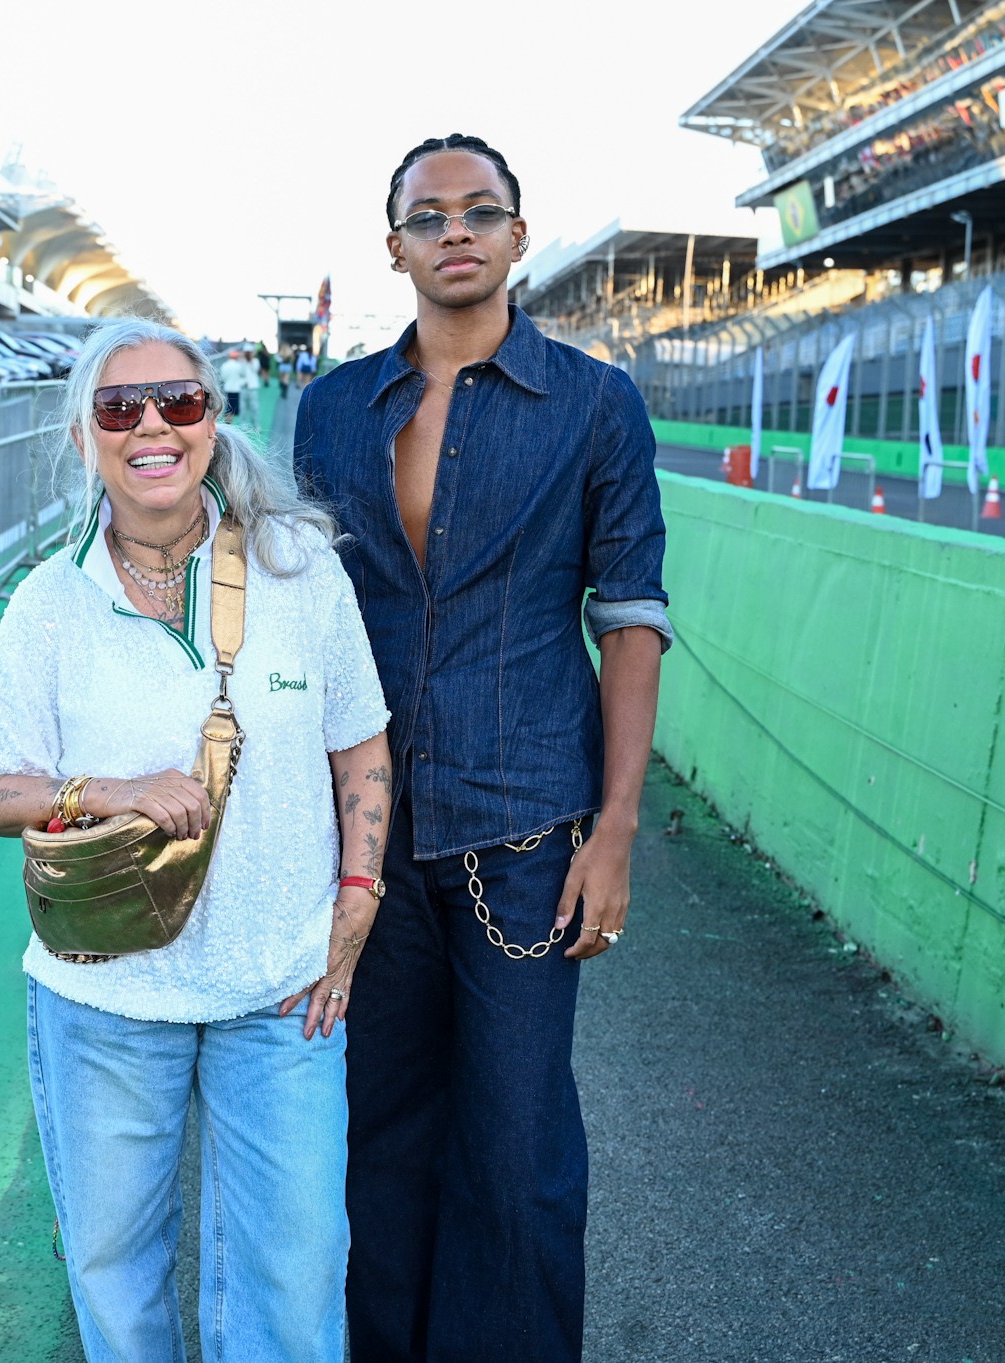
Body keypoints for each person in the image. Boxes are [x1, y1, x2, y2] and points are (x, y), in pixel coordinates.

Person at [292, 133, 669, 1363]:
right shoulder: (334, 409)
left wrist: (612, 831)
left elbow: (628, 618)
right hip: (364, 835)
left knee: (514, 1152)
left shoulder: (594, 404)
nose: (455, 231)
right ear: (390, 244)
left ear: (516, 235)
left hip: (519, 830)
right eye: (428, 216)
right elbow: (300, 616)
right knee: (380, 1135)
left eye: (480, 211)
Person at [0, 318, 394, 1363]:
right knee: (114, 1277)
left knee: (294, 1281)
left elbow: (362, 749)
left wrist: (358, 897)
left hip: (278, 990)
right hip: (103, 996)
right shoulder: (50, 601)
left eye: (179, 402)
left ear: (212, 420)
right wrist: (109, 790)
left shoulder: (298, 569)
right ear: (84, 437)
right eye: (120, 407)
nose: (152, 424)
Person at [218, 346, 253, 423]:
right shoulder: (239, 365)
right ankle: (230, 422)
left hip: (227, 388)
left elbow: (222, 377)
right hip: (237, 389)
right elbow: (244, 374)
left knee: (229, 406)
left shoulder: (225, 365)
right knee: (235, 408)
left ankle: (228, 421)